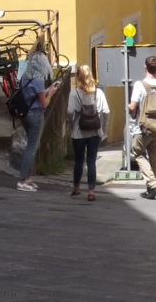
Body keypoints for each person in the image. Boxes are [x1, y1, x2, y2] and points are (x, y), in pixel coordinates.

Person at [128, 55, 156, 200]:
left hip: (143, 127)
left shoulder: (139, 85)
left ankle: (153, 185)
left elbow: (133, 107)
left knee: (138, 153)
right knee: (155, 158)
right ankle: (151, 189)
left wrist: (129, 108)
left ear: (145, 67)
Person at [16, 42, 59, 192]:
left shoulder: (25, 76)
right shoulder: (39, 79)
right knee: (32, 148)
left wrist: (48, 90)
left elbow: (35, 95)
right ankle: (22, 180)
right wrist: (52, 93)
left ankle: (27, 178)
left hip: (25, 113)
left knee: (30, 145)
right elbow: (44, 103)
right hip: (35, 114)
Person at [67, 64, 110, 201]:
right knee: (91, 161)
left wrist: (71, 123)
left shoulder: (74, 93)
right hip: (95, 132)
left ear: (78, 77)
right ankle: (91, 191)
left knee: (79, 161)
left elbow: (69, 112)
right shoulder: (99, 92)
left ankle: (76, 187)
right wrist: (103, 128)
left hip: (78, 132)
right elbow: (106, 112)